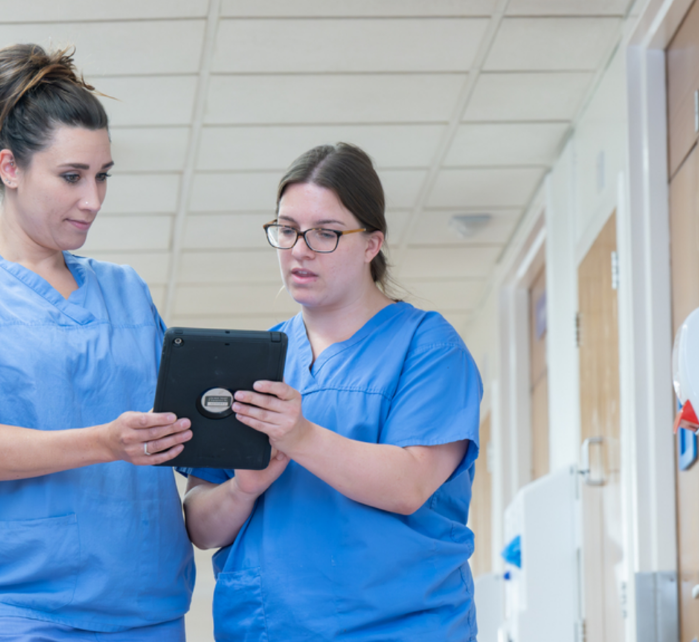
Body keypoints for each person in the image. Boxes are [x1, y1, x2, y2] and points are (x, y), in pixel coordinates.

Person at [0, 44, 195, 641]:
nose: (93, 199)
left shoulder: (126, 293)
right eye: (72, 177)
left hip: (147, 612)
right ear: (10, 168)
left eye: (102, 176)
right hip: (5, 609)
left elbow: (190, 447)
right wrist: (106, 441)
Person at [181, 143, 482, 641]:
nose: (299, 248)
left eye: (325, 233)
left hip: (398, 627)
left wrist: (298, 436)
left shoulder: (426, 346)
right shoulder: (251, 362)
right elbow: (200, 525)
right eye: (287, 230)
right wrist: (243, 489)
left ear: (372, 244)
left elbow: (409, 486)